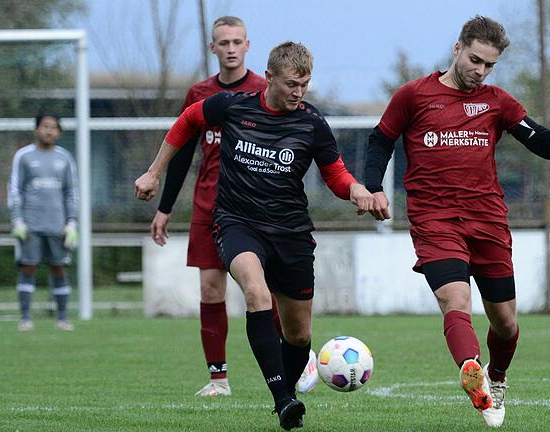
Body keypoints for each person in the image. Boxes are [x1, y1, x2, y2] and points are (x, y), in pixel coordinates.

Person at [135, 41, 376, 430]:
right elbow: (186, 121)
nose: (299, 93)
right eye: (292, 84)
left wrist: (356, 190)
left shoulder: (312, 122)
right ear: (270, 78)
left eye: (305, 84)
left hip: (292, 233)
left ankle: (289, 395)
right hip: (237, 223)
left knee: (298, 334)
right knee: (256, 292)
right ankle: (282, 400)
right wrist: (154, 171)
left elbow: (334, 173)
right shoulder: (233, 106)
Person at [364, 16, 550, 427]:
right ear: (457, 47)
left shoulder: (497, 102)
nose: (479, 71)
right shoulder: (413, 96)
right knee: (454, 301)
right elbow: (380, 140)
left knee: (505, 321)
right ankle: (473, 370)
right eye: (475, 59)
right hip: (434, 220)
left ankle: (496, 377)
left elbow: (544, 145)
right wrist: (374, 187)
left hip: (487, 221)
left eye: (488, 65)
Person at [149, 16, 318, 397]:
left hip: (258, 212)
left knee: (262, 293)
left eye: (236, 41)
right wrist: (164, 206)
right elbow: (182, 149)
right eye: (222, 42)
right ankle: (218, 378)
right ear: (213, 48)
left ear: (248, 46)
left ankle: (292, 355)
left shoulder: (268, 90)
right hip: (208, 206)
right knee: (210, 290)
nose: (230, 48)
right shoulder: (201, 95)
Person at [8, 113, 79, 332]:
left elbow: (71, 192)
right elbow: (15, 189)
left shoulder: (65, 158)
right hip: (30, 225)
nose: (49, 131)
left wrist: (72, 222)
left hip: (58, 226)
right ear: (36, 129)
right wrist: (17, 220)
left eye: (53, 127)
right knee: (28, 268)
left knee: (59, 268)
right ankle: (26, 318)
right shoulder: (24, 156)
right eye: (45, 126)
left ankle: (62, 318)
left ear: (59, 132)